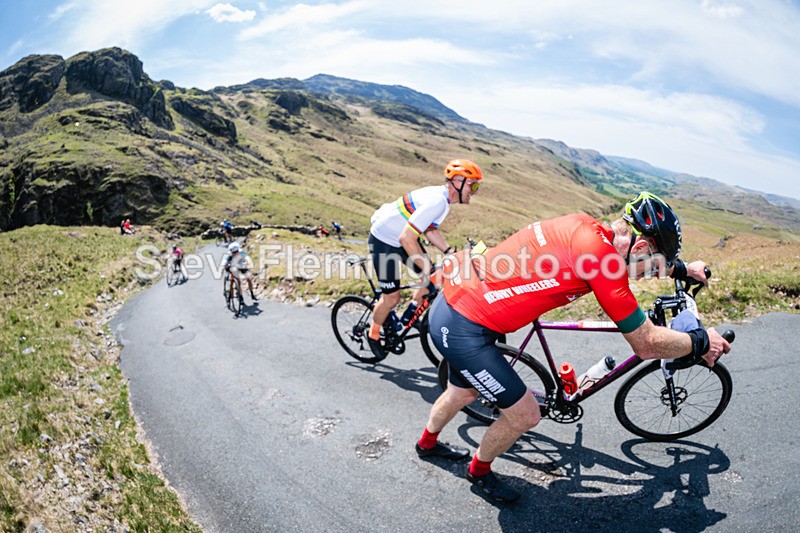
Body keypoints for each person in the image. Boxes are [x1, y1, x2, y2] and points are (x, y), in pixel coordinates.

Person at [416, 191, 732, 503]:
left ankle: (426, 444)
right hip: (465, 328)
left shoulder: (584, 226)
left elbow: (631, 266)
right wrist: (700, 341)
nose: (650, 271)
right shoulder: (601, 259)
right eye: (652, 263)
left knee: (462, 391)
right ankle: (479, 471)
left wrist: (682, 268)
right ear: (639, 247)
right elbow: (646, 344)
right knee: (525, 415)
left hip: (455, 302)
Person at [366, 159, 483, 359]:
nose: (474, 191)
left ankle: (411, 313)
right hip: (385, 241)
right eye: (473, 185)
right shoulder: (437, 201)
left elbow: (429, 229)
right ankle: (373, 333)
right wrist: (429, 270)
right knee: (391, 298)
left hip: (401, 238)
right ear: (457, 181)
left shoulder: (444, 202)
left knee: (432, 281)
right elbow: (406, 237)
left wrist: (448, 251)